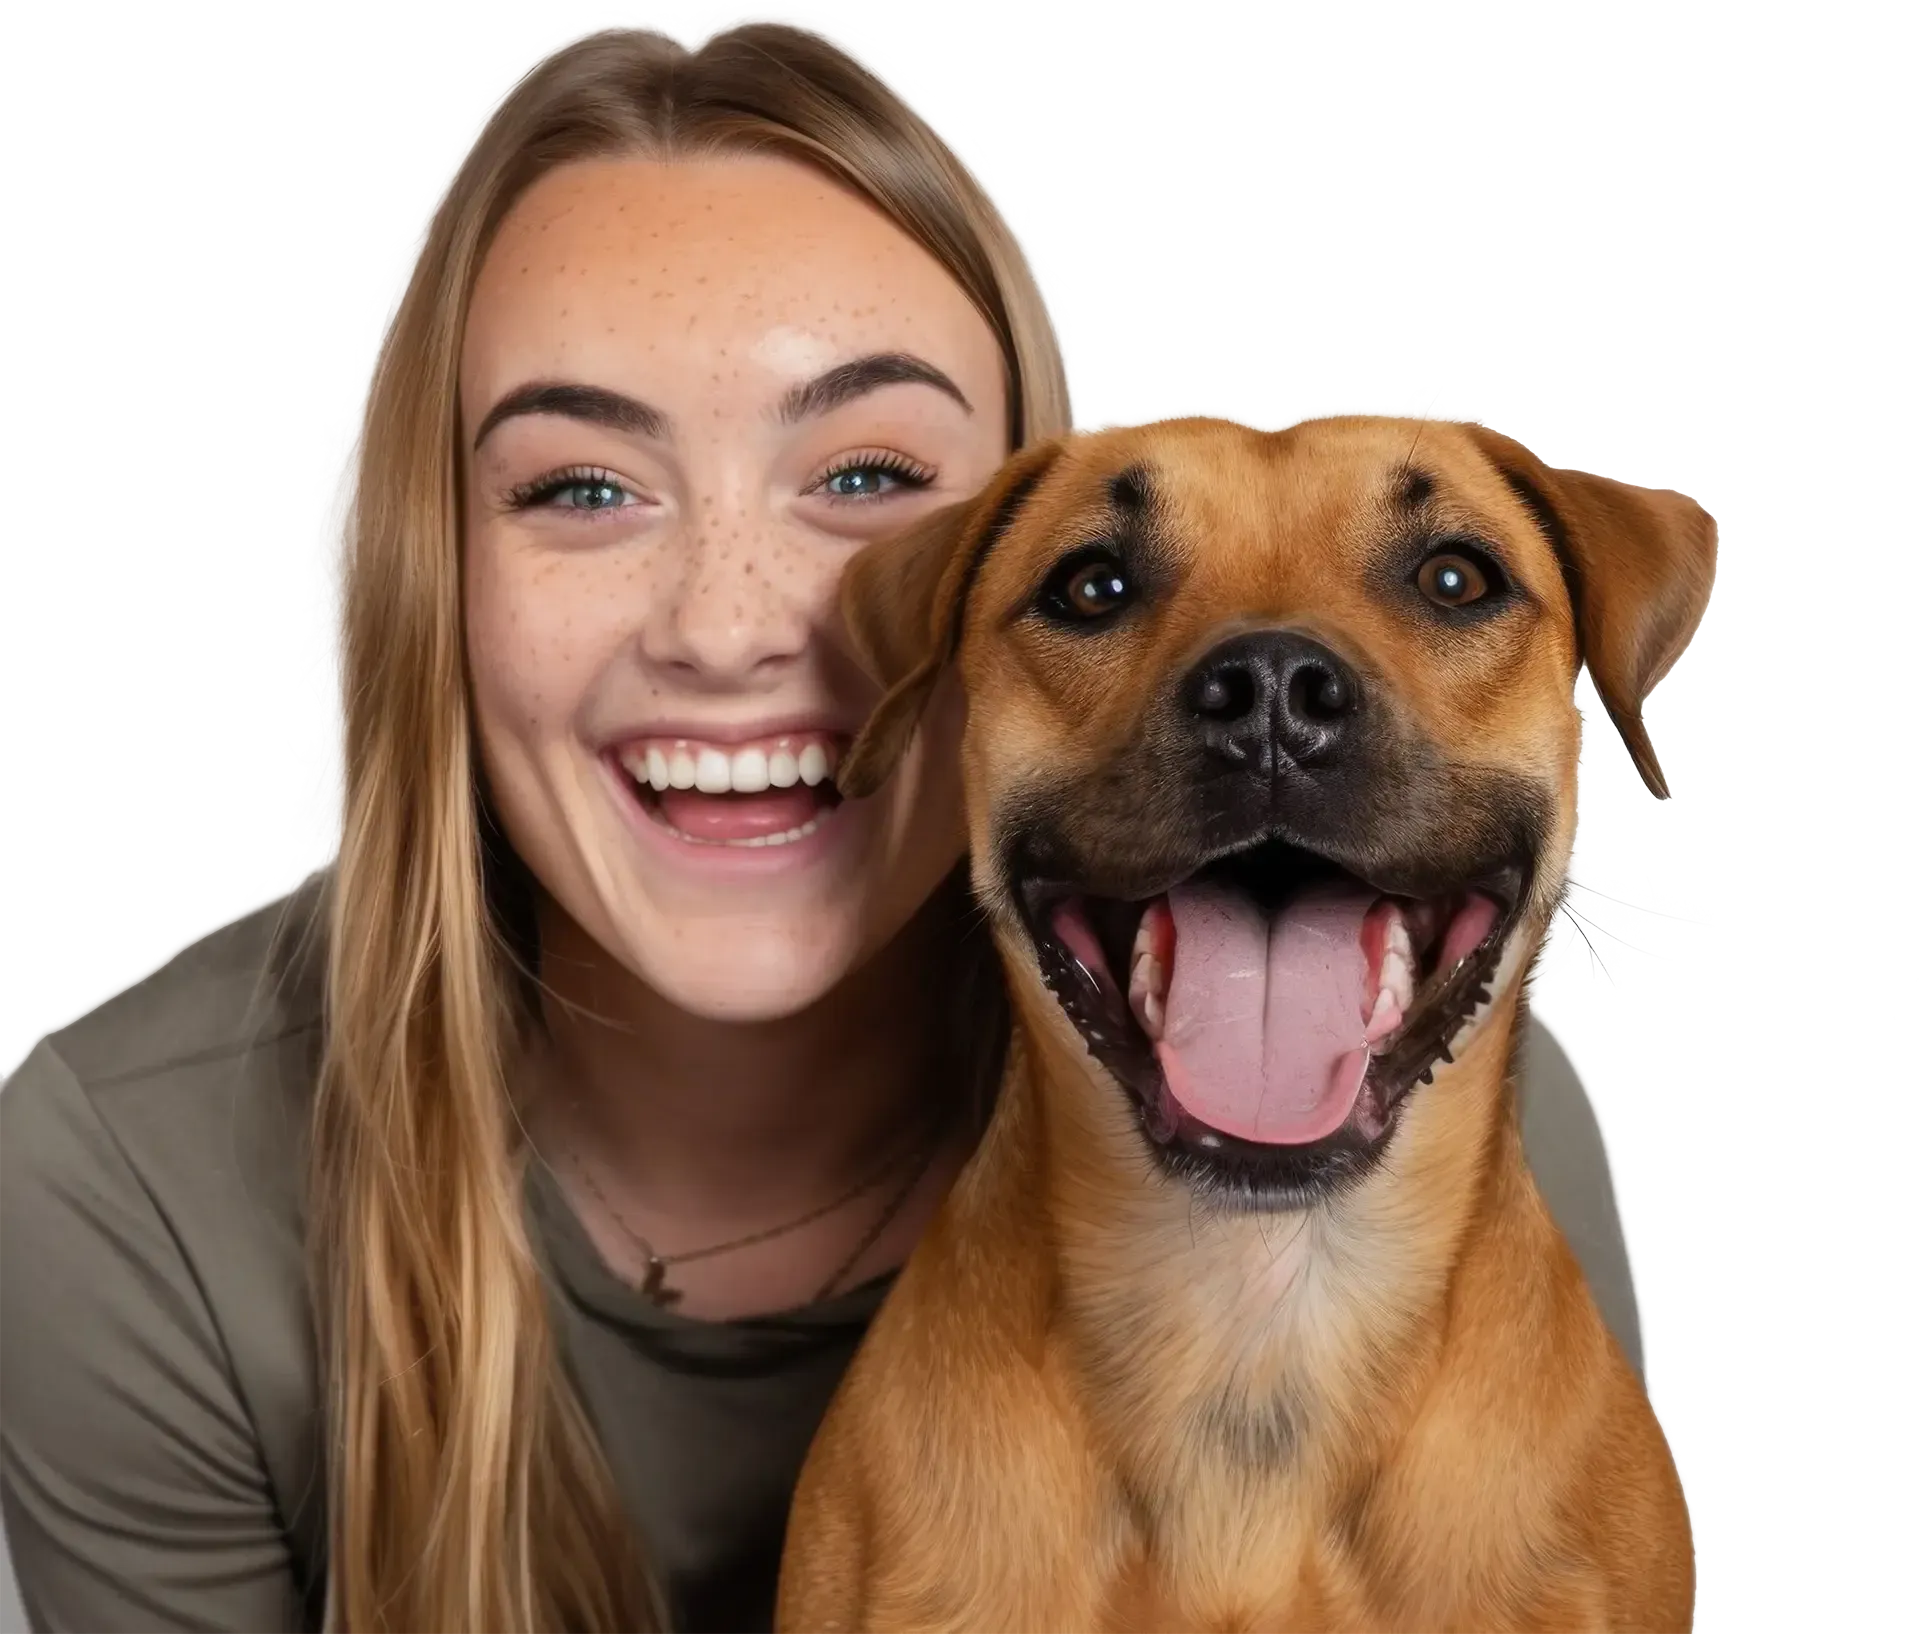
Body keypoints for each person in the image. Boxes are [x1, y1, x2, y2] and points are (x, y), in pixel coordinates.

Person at [0, 20, 1646, 1634]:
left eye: (864, 473)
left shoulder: (1452, 1117)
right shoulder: (135, 1193)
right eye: (581, 486)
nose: (726, 628)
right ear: (432, 580)